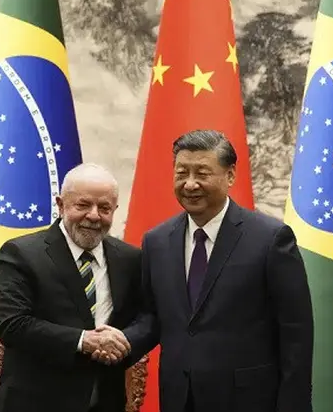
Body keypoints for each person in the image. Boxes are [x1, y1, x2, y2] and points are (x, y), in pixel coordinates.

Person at [114, 129, 314, 412]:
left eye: (202, 173)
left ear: (230, 176)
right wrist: (120, 341)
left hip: (248, 400)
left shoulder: (271, 239)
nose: (190, 184)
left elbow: (296, 333)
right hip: (179, 398)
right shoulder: (156, 241)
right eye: (182, 173)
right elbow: (154, 316)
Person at [0, 163, 140, 412]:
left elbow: (146, 317)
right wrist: (83, 341)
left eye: (104, 208)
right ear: (61, 205)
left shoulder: (130, 259)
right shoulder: (21, 253)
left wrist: (123, 341)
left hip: (104, 402)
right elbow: (13, 325)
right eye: (82, 205)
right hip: (33, 403)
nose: (93, 215)